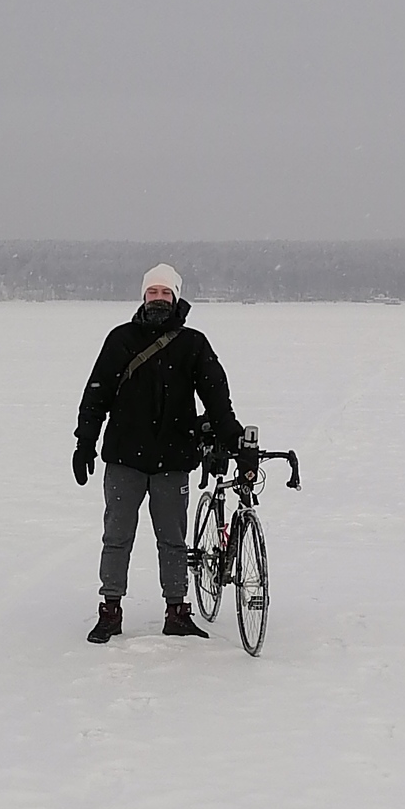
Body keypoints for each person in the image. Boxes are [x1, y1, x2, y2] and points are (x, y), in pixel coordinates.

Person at [73, 262, 240, 643]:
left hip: (173, 459)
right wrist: (85, 442)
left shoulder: (193, 344)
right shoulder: (120, 340)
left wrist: (230, 437)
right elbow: (96, 394)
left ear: (176, 297)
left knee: (173, 540)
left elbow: (216, 397)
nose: (159, 299)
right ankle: (110, 609)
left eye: (166, 293)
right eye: (153, 293)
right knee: (117, 536)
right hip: (124, 459)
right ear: (143, 297)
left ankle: (177, 610)